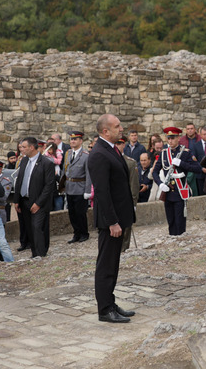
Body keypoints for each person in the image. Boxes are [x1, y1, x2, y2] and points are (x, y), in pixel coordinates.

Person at [87, 113, 137, 323]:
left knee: (113, 264)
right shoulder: (99, 153)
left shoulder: (111, 149)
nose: (121, 129)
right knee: (106, 265)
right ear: (105, 131)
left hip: (119, 217)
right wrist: (112, 222)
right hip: (110, 221)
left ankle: (110, 302)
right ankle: (104, 310)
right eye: (117, 126)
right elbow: (102, 192)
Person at [13, 136, 57, 257]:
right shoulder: (24, 160)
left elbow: (49, 186)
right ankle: (34, 252)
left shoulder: (46, 163)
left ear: (32, 147)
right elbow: (20, 180)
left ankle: (41, 254)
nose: (21, 149)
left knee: (37, 227)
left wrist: (38, 203)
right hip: (24, 200)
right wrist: (16, 200)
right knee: (29, 228)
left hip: (39, 202)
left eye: (24, 147)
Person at [63, 131, 91, 244]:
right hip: (70, 187)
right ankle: (76, 233)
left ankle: (84, 233)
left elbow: (89, 174)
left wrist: (87, 191)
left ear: (81, 141)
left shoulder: (86, 155)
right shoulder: (68, 153)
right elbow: (65, 171)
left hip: (80, 187)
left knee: (80, 213)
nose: (72, 141)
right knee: (72, 213)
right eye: (71, 139)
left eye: (75, 139)